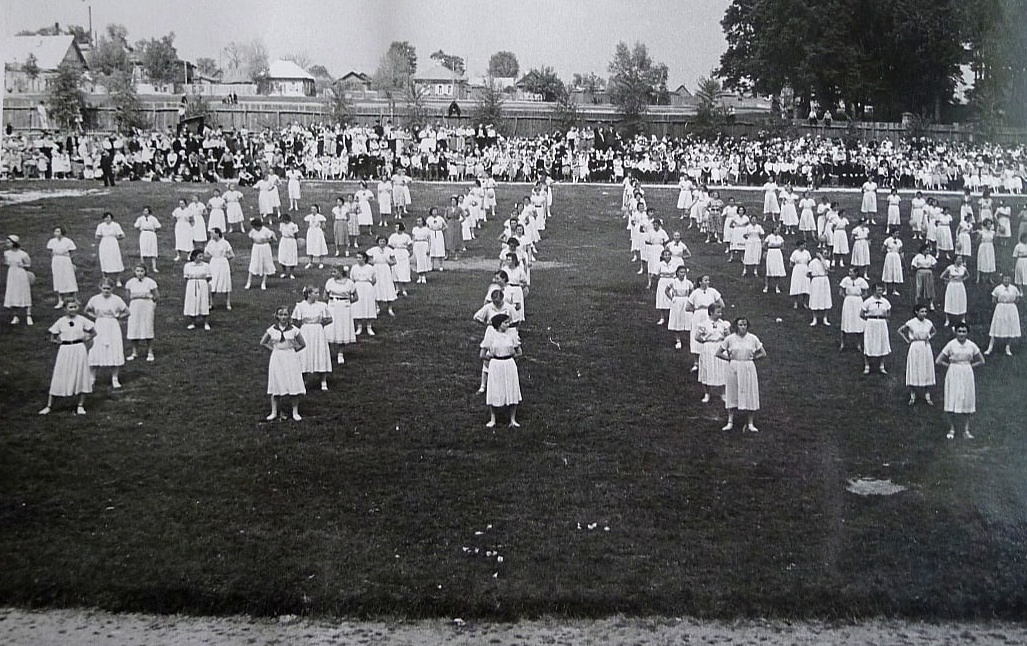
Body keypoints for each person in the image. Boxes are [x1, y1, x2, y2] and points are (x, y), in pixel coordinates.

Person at [39, 299, 96, 415]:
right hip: (65, 350)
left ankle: (80, 405)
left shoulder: (82, 320)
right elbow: (53, 336)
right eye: (70, 307)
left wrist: (87, 338)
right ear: (65, 309)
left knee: (81, 375)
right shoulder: (61, 321)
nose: (73, 309)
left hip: (79, 349)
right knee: (59, 375)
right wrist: (57, 341)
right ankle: (49, 406)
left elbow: (93, 332)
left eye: (75, 307)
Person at [715, 317, 766, 432]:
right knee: (732, 392)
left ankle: (750, 423)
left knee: (749, 392)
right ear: (736, 326)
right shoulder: (730, 339)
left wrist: (752, 359)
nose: (743, 327)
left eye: (745, 325)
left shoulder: (753, 338)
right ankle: (730, 421)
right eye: (740, 325)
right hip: (734, 367)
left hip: (748, 367)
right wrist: (729, 359)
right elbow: (718, 353)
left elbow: (763, 353)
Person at [936, 323, 985, 440]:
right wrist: (950, 365)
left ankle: (966, 430)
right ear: (955, 332)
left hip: (967, 373)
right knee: (952, 398)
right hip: (953, 372)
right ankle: (952, 429)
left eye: (964, 331)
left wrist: (969, 366)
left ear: (967, 333)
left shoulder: (971, 345)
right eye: (959, 331)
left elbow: (981, 360)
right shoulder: (951, 345)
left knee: (967, 399)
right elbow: (938, 360)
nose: (962, 334)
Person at [260, 306, 306, 421]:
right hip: (277, 358)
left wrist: (292, 351)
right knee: (276, 384)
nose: (283, 317)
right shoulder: (272, 329)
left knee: (293, 383)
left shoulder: (294, 330)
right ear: (276, 316)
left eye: (285, 315)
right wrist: (274, 350)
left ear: (289, 316)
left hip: (291, 358)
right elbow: (263, 342)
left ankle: (295, 412)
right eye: (281, 315)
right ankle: (274, 412)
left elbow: (302, 344)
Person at [480, 313, 522, 428]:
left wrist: (509, 358)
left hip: (509, 365)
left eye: (508, 322)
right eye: (505, 323)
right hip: (495, 365)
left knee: (512, 389)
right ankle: (493, 419)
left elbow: (519, 352)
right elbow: (482, 354)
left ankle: (512, 419)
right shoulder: (491, 335)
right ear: (499, 324)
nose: (508, 325)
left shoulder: (512, 334)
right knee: (495, 390)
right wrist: (494, 358)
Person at [85, 279, 128, 389]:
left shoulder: (117, 299)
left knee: (114, 349)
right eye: (104, 288)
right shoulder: (95, 299)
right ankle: (92, 378)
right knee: (95, 350)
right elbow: (87, 310)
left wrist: (117, 317)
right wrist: (96, 317)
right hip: (99, 324)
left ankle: (115, 378)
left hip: (112, 325)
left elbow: (127, 312)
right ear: (100, 288)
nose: (106, 290)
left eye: (108, 288)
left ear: (112, 288)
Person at [473, 289, 519, 393]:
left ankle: (507, 383)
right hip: (492, 333)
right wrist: (488, 325)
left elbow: (517, 320)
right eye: (494, 301)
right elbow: (476, 317)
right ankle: (483, 386)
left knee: (507, 356)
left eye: (498, 302)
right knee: (488, 357)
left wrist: (508, 327)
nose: (496, 304)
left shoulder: (509, 307)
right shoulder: (489, 307)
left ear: (502, 298)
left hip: (506, 333)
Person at [292, 286, 333, 391]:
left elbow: (329, 319)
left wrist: (319, 325)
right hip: (305, 331)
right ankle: (303, 380)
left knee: (320, 353)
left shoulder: (322, 306)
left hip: (318, 332)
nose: (318, 295)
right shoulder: (300, 306)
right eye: (315, 293)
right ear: (309, 294)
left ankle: (323, 381)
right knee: (304, 354)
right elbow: (295, 321)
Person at [898, 303, 937, 406]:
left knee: (927, 368)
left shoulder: (928, 322)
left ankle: (927, 395)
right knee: (914, 368)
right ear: (916, 312)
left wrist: (929, 337)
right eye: (922, 311)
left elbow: (934, 332)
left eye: (925, 312)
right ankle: (912, 395)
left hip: (926, 347)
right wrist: (908, 340)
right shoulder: (911, 322)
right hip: (915, 347)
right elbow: (900, 331)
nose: (924, 314)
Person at [686, 275, 725, 370]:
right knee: (697, 336)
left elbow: (722, 304)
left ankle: (711, 359)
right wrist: (698, 309)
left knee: (711, 334)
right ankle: (696, 363)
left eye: (708, 280)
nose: (708, 282)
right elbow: (687, 307)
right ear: (700, 282)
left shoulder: (713, 291)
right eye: (705, 280)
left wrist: (713, 309)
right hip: (698, 316)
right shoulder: (695, 293)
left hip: (710, 315)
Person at [696, 303, 731, 403]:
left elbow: (728, 337)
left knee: (722, 370)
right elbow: (697, 337)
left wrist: (725, 336)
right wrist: (706, 341)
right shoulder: (704, 324)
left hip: (720, 347)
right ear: (711, 312)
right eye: (717, 312)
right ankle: (707, 393)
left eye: (720, 312)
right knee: (707, 369)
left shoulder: (723, 324)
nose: (720, 314)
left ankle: (723, 393)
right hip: (708, 348)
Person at [124, 265, 159, 362]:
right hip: (135, 306)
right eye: (137, 271)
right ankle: (134, 352)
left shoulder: (150, 282)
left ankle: (150, 352)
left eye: (142, 271)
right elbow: (128, 296)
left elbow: (156, 295)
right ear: (134, 272)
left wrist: (150, 302)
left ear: (145, 272)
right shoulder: (130, 282)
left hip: (147, 306)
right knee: (134, 328)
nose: (139, 273)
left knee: (147, 327)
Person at [323, 266, 357, 364]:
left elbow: (355, 297)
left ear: (341, 272)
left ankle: (340, 353)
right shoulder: (330, 282)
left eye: (335, 272)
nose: (332, 274)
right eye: (332, 272)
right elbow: (325, 296)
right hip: (332, 306)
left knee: (342, 328)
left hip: (345, 308)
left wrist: (346, 302)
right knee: (330, 328)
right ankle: (328, 353)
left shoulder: (350, 283)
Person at [985, 274, 1022, 356]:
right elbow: (993, 299)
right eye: (1005, 279)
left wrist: (1010, 304)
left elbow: (1018, 298)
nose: (1007, 280)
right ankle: (990, 347)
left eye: (1008, 279)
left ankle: (1007, 347)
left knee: (1010, 326)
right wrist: (1002, 304)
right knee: (997, 326)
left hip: (1011, 309)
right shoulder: (998, 288)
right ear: (1002, 279)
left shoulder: (1014, 288)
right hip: (1000, 308)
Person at [860, 283, 892, 374]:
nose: (881, 292)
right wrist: (870, 318)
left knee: (883, 342)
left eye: (882, 290)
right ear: (874, 291)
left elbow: (888, 313)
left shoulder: (885, 302)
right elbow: (862, 314)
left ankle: (881, 365)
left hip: (882, 323)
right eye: (879, 290)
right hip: (871, 323)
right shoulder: (868, 301)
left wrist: (884, 318)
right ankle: (867, 366)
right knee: (869, 343)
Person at [4, 234, 33, 325]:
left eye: (9, 242)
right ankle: (15, 316)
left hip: (21, 274)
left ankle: (28, 316)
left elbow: (28, 264)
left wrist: (22, 266)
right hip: (12, 275)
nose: (7, 244)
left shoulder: (23, 254)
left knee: (24, 293)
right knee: (13, 293)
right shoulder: (6, 253)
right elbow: (7, 263)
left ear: (14, 243)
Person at [46, 227, 78, 309]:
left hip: (66, 261)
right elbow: (51, 252)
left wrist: (72, 263)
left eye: (58, 231)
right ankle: (60, 300)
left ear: (62, 232)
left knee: (69, 279)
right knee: (58, 280)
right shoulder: (52, 241)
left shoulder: (68, 241)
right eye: (55, 231)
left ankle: (73, 299)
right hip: (56, 261)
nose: (56, 233)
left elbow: (73, 253)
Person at [839, 267, 869, 351]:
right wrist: (847, 298)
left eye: (851, 272)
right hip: (848, 302)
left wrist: (858, 298)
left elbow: (866, 293)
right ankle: (842, 343)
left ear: (856, 273)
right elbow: (841, 292)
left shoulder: (861, 281)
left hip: (858, 302)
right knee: (846, 321)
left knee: (858, 322)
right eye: (849, 271)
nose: (850, 273)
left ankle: (858, 344)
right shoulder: (845, 280)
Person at [204, 228, 234, 311]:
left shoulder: (225, 243)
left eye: (213, 233)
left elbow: (232, 255)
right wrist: (210, 254)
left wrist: (226, 256)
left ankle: (228, 303)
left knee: (225, 282)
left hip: (223, 264)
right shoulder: (210, 243)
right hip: (213, 263)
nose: (211, 235)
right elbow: (206, 254)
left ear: (218, 234)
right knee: (212, 282)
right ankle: (211, 303)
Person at [665, 265, 694, 350]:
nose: (683, 274)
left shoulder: (688, 283)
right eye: (681, 272)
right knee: (677, 320)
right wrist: (672, 298)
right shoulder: (673, 282)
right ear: (677, 273)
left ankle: (690, 340)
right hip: (676, 303)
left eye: (684, 272)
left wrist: (690, 300)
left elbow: (692, 292)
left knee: (688, 320)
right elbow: (666, 291)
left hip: (685, 301)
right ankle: (678, 340)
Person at [368, 236, 398, 317]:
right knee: (376, 287)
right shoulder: (373, 250)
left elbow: (394, 262)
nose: (382, 243)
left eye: (384, 241)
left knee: (388, 287)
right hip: (376, 269)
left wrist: (388, 261)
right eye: (380, 241)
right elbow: (367, 260)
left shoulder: (389, 250)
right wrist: (373, 262)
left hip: (386, 270)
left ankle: (390, 308)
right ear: (378, 242)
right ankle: (377, 307)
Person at [349, 251, 377, 335]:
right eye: (357, 257)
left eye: (360, 257)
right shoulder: (354, 267)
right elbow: (352, 279)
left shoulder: (370, 268)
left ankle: (369, 327)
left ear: (364, 258)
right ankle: (359, 327)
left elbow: (374, 280)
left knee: (369, 305)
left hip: (368, 287)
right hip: (357, 286)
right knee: (358, 306)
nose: (358, 259)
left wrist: (368, 285)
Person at [182, 248, 211, 330]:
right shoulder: (188, 266)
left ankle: (206, 323)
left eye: (202, 256)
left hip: (202, 285)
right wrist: (194, 282)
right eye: (200, 256)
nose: (202, 258)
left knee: (204, 302)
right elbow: (186, 277)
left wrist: (201, 282)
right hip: (191, 285)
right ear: (194, 257)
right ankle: (192, 322)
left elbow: (209, 277)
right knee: (192, 302)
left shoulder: (206, 266)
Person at [95, 211, 126, 286]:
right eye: (105, 217)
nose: (107, 219)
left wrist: (115, 237)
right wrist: (103, 237)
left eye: (108, 217)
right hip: (104, 244)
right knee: (105, 261)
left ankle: (118, 280)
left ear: (111, 218)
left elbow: (122, 235)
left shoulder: (116, 225)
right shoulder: (101, 226)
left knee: (116, 260)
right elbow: (97, 236)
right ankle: (106, 279)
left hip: (113, 244)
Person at [245, 218, 276, 290]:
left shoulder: (266, 230)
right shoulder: (253, 231)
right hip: (256, 248)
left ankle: (263, 283)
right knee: (253, 264)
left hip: (265, 248)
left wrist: (266, 241)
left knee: (266, 264)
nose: (253, 228)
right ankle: (248, 282)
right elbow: (251, 239)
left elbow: (274, 239)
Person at [940, 256, 969, 328]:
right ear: (955, 260)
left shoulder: (963, 268)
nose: (960, 260)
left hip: (960, 286)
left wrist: (962, 279)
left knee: (961, 300)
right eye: (959, 259)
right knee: (949, 301)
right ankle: (947, 320)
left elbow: (968, 275)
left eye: (961, 259)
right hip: (951, 286)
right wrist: (948, 279)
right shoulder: (950, 268)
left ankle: (963, 318)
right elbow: (942, 276)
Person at [807, 250, 832, 326]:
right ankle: (815, 318)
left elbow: (827, 268)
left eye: (826, 253)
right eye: (824, 253)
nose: (826, 255)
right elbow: (808, 273)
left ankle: (825, 317)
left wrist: (822, 258)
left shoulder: (827, 262)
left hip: (824, 280)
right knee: (815, 298)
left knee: (826, 298)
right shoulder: (812, 262)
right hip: (816, 281)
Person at [388, 222, 413, 297]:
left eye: (397, 227)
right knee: (395, 270)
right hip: (396, 252)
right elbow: (389, 245)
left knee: (404, 271)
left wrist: (408, 252)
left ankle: (404, 289)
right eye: (395, 227)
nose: (396, 229)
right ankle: (397, 288)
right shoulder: (393, 236)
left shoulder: (406, 236)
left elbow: (410, 245)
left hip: (404, 253)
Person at [911, 244, 937, 311]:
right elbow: (913, 265)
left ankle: (931, 304)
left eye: (928, 250)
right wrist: (916, 269)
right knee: (919, 287)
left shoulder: (930, 257)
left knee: (930, 288)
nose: (928, 251)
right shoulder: (918, 256)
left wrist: (931, 267)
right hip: (920, 273)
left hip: (928, 273)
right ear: (922, 250)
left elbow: (934, 264)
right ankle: (917, 304)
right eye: (926, 250)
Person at [303, 204, 329, 269]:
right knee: (310, 246)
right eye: (312, 209)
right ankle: (310, 262)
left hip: (318, 232)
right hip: (311, 232)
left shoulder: (320, 217)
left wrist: (322, 230)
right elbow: (306, 225)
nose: (313, 210)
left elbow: (323, 226)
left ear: (317, 210)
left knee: (319, 246)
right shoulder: (308, 217)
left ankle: (321, 262)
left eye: (314, 209)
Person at [788, 239, 812, 310]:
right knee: (796, 285)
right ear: (799, 245)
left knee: (805, 286)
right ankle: (795, 302)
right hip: (797, 270)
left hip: (805, 269)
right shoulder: (795, 253)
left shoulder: (807, 253)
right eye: (803, 245)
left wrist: (809, 271)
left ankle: (804, 302)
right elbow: (791, 263)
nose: (804, 246)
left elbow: (809, 262)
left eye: (805, 245)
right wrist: (796, 268)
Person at [763, 224, 786, 293]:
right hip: (771, 253)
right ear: (773, 230)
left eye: (778, 229)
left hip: (778, 254)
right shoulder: (769, 237)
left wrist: (779, 250)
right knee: (769, 270)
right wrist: (767, 251)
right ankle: (766, 286)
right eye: (777, 229)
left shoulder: (780, 237)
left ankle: (777, 287)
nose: (778, 230)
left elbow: (783, 246)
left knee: (777, 270)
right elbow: (764, 245)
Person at [881, 230, 904, 296]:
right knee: (888, 272)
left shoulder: (899, 241)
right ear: (892, 233)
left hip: (896, 257)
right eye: (896, 233)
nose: (897, 234)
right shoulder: (888, 240)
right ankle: (885, 290)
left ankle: (894, 290)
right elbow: (883, 249)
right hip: (889, 256)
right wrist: (888, 254)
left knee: (895, 272)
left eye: (898, 233)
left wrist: (901, 257)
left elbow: (901, 250)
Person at [411, 216, 432, 284]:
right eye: (417, 221)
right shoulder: (415, 229)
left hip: (424, 244)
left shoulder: (427, 229)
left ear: (423, 222)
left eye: (420, 221)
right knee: (418, 260)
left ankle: (424, 276)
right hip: (417, 244)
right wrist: (413, 246)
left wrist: (428, 248)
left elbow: (429, 239)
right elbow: (413, 239)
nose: (418, 222)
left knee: (424, 260)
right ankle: (419, 276)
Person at [426, 206, 447, 271]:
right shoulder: (429, 219)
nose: (435, 212)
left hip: (439, 234)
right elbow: (426, 227)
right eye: (433, 211)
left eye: (436, 211)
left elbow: (446, 226)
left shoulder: (440, 218)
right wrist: (429, 231)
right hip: (431, 233)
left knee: (440, 248)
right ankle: (432, 265)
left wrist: (441, 229)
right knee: (432, 248)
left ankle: (441, 265)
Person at [976, 219, 997, 284]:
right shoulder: (982, 232)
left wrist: (992, 246)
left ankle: (989, 278)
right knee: (981, 261)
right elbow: (977, 240)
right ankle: (978, 278)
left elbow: (995, 241)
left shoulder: (993, 233)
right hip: (983, 247)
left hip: (990, 247)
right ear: (985, 224)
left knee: (990, 261)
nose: (989, 225)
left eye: (990, 224)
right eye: (988, 224)